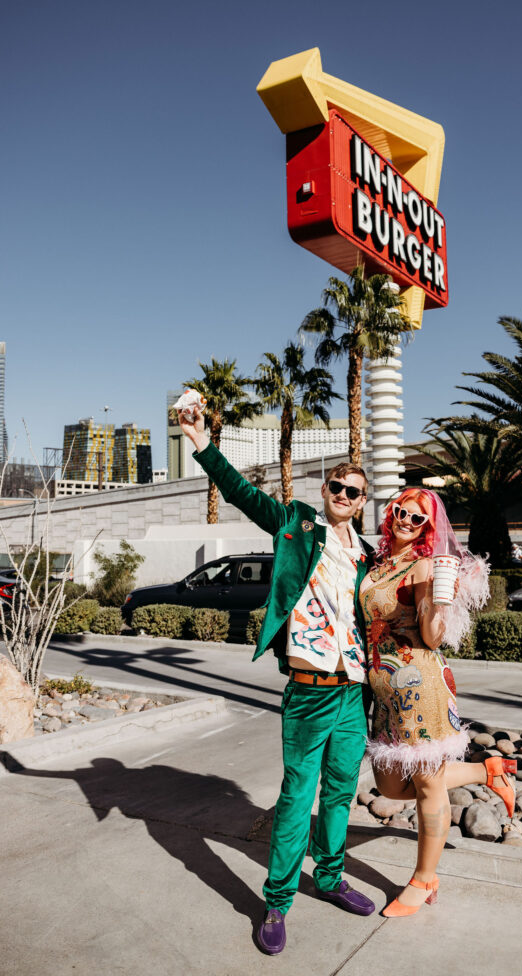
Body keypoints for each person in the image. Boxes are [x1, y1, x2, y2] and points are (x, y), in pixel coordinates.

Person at [178, 405, 376, 955]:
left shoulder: (368, 556)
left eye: (353, 490)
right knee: (296, 799)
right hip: (310, 692)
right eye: (337, 485)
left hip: (353, 693)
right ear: (325, 489)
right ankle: (277, 900)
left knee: (339, 794)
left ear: (363, 502)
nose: (343, 494)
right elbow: (243, 493)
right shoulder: (296, 524)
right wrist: (201, 442)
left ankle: (331, 879)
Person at [360, 487, 516, 917]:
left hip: (420, 687)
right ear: (391, 513)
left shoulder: (426, 566)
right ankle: (488, 770)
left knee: (428, 784)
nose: (406, 522)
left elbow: (431, 636)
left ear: (428, 528)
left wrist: (435, 600)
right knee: (391, 785)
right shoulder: (379, 562)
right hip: (384, 692)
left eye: (418, 520)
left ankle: (424, 878)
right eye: (401, 513)